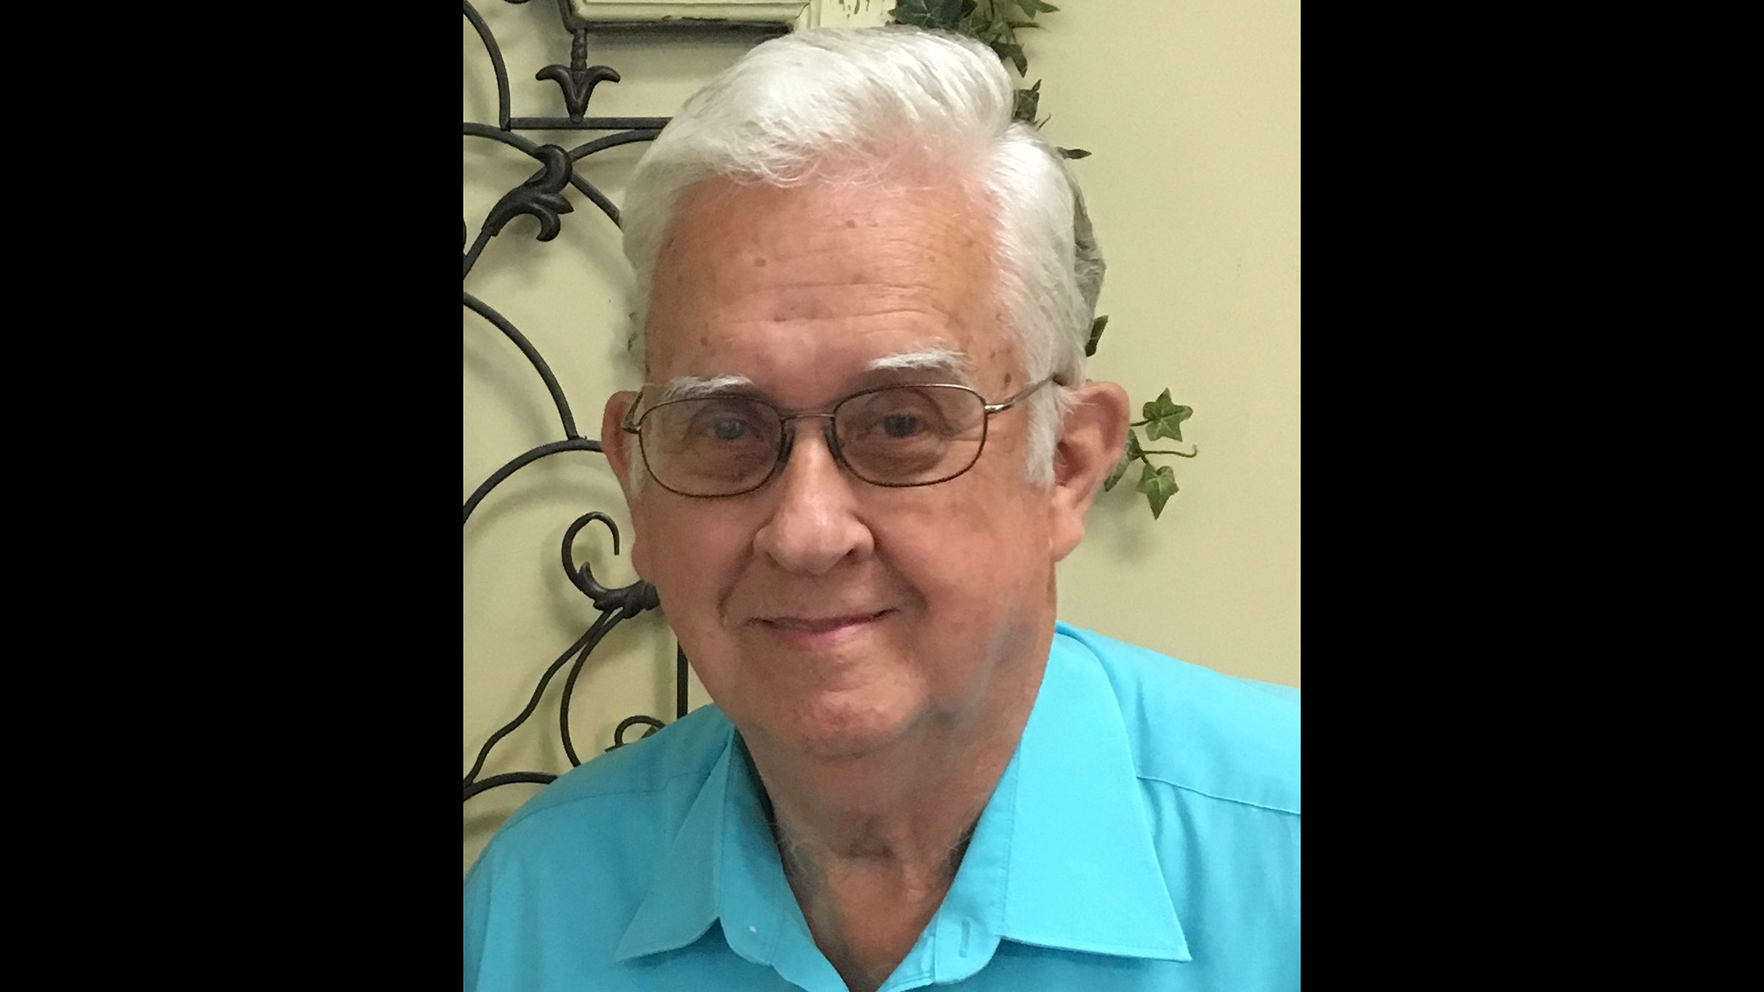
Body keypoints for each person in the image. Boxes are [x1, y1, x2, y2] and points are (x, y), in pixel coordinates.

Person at [464, 26, 1298, 992]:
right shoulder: (536, 908)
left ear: (1065, 467)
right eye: (726, 427)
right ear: (636, 479)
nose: (807, 533)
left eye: (901, 424)